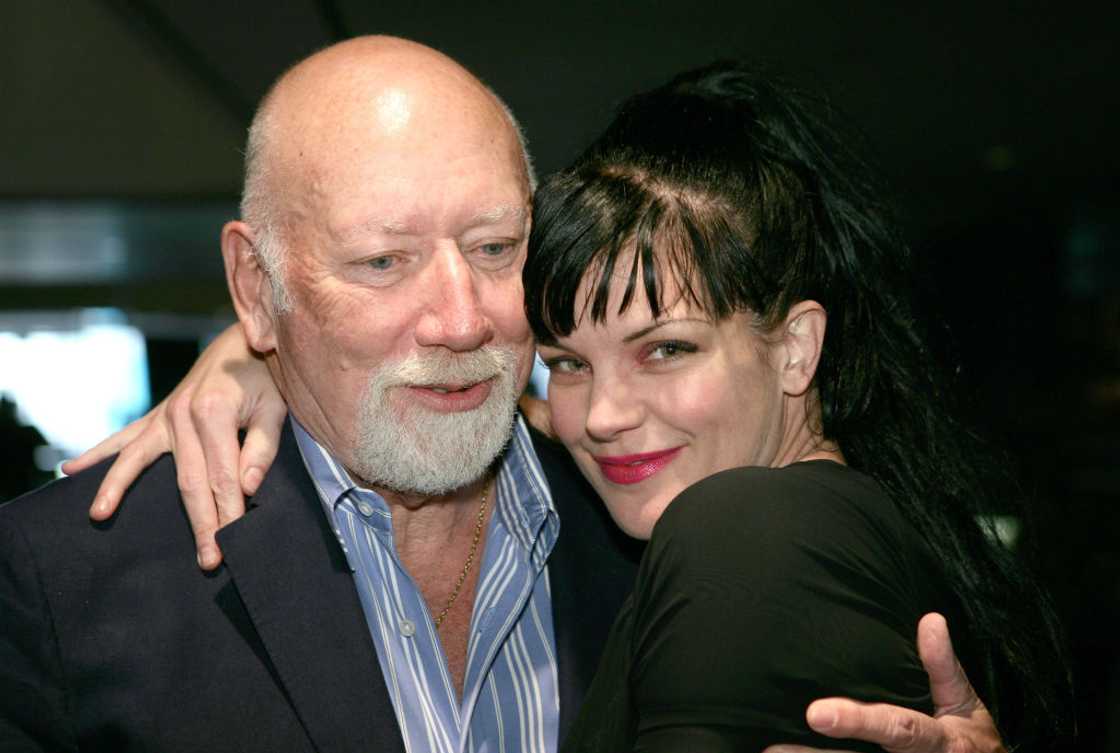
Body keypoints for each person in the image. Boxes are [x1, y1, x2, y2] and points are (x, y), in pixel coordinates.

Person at [27, 38, 1010, 753]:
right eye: (382, 261)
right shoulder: (57, 581)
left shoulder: (691, 530)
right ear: (257, 287)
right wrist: (253, 357)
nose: (461, 320)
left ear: (797, 348)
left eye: (496, 249)